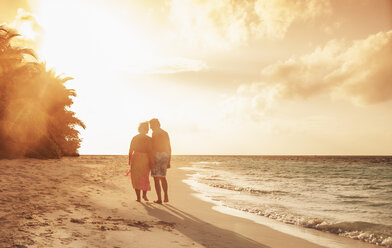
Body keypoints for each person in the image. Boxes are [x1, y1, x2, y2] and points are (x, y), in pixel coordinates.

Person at [126, 122, 153, 202]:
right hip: (145, 158)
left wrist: (130, 160)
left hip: (137, 157)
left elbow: (131, 150)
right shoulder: (149, 139)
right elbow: (151, 151)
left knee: (136, 178)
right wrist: (151, 161)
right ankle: (143, 195)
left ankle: (139, 197)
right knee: (144, 177)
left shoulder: (135, 138)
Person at [149, 118, 171, 204]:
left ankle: (159, 199)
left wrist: (151, 159)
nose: (150, 127)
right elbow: (169, 147)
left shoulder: (155, 133)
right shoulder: (165, 133)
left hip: (157, 155)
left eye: (151, 125)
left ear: (156, 124)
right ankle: (166, 195)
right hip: (165, 155)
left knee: (156, 179)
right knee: (163, 177)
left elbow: (153, 147)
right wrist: (169, 159)